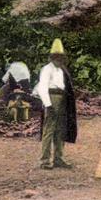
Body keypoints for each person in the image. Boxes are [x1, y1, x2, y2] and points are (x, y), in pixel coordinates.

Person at [34, 39, 77, 170]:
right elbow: (42, 88)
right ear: (53, 57)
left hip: (62, 98)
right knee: (49, 130)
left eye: (61, 57)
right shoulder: (47, 69)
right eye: (57, 57)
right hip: (52, 98)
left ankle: (59, 158)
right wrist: (48, 104)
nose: (60, 60)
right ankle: (45, 160)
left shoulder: (61, 70)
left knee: (60, 130)